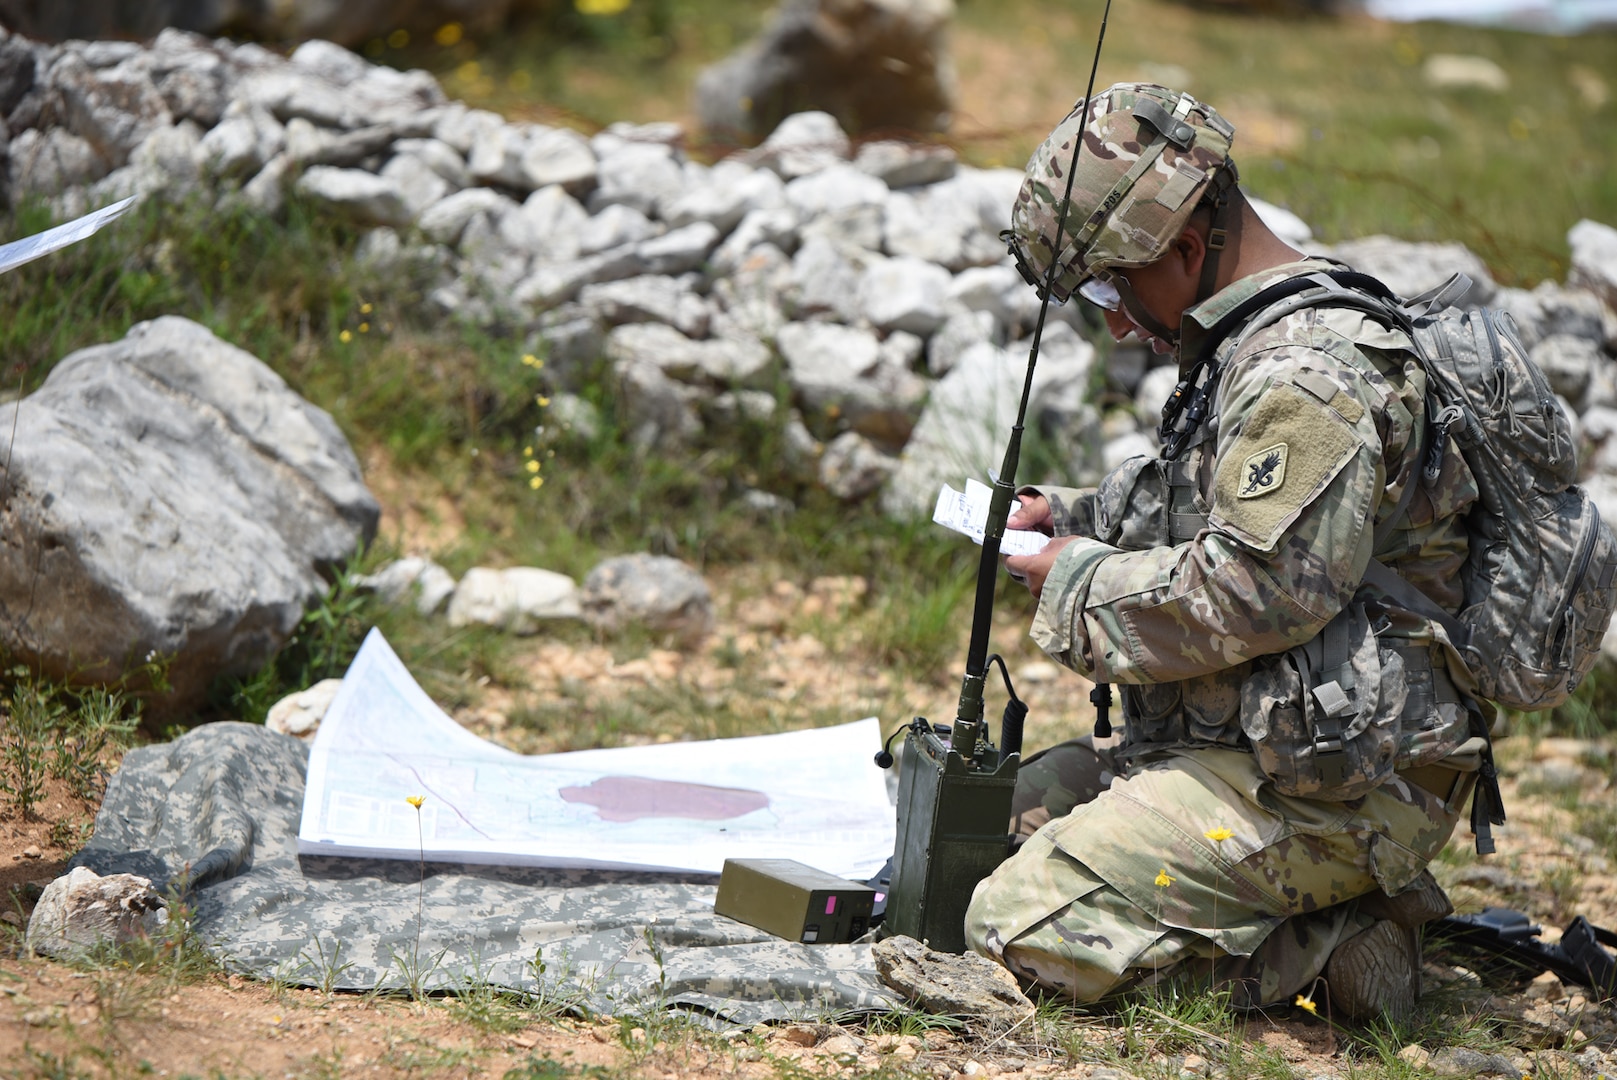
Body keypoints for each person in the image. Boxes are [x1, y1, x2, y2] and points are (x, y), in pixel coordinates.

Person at [964, 83, 1490, 1022]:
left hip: (1342, 789)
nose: (1115, 320)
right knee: (975, 838)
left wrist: (1073, 579)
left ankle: (1343, 936)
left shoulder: (1306, 375)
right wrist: (1069, 513)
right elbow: (1224, 511)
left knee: (1018, 928)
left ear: (1181, 248)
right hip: (1257, 744)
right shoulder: (1253, 339)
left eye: (1110, 286)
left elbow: (1256, 590)